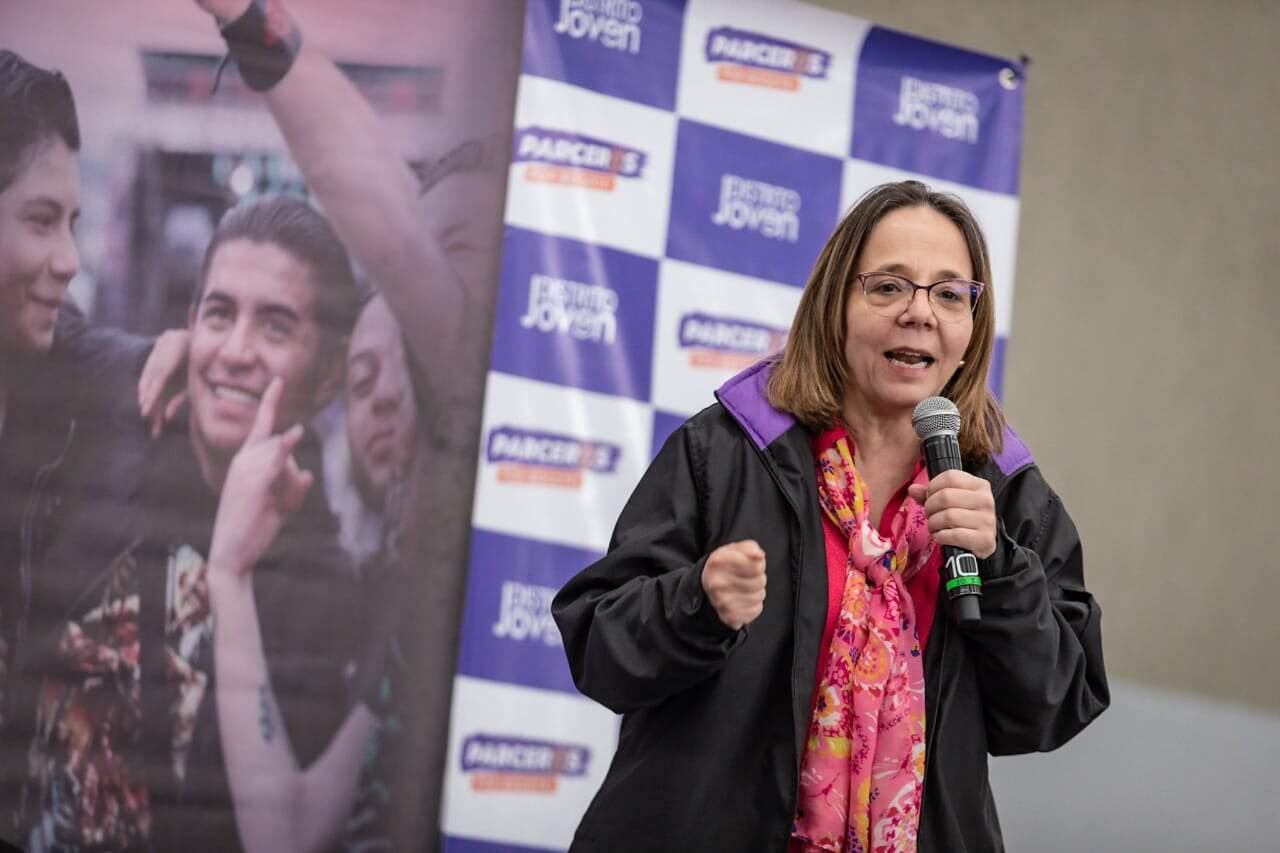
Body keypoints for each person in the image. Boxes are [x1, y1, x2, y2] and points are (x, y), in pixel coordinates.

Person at [552, 180, 1110, 852]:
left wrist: (1001, 569)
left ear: (971, 327)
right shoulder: (729, 451)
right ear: (835, 305)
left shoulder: (1008, 496)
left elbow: (1053, 707)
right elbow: (599, 648)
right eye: (888, 287)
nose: (919, 312)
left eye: (949, 293)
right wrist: (695, 604)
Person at [14, 194, 370, 853]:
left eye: (275, 327)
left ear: (325, 377)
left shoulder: (326, 588)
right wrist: (141, 352)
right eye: (219, 313)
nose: (235, 350)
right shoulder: (115, 421)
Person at [0, 49, 154, 842]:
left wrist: (181, 357)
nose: (70, 260)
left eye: (73, 222)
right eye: (39, 219)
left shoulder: (64, 378)